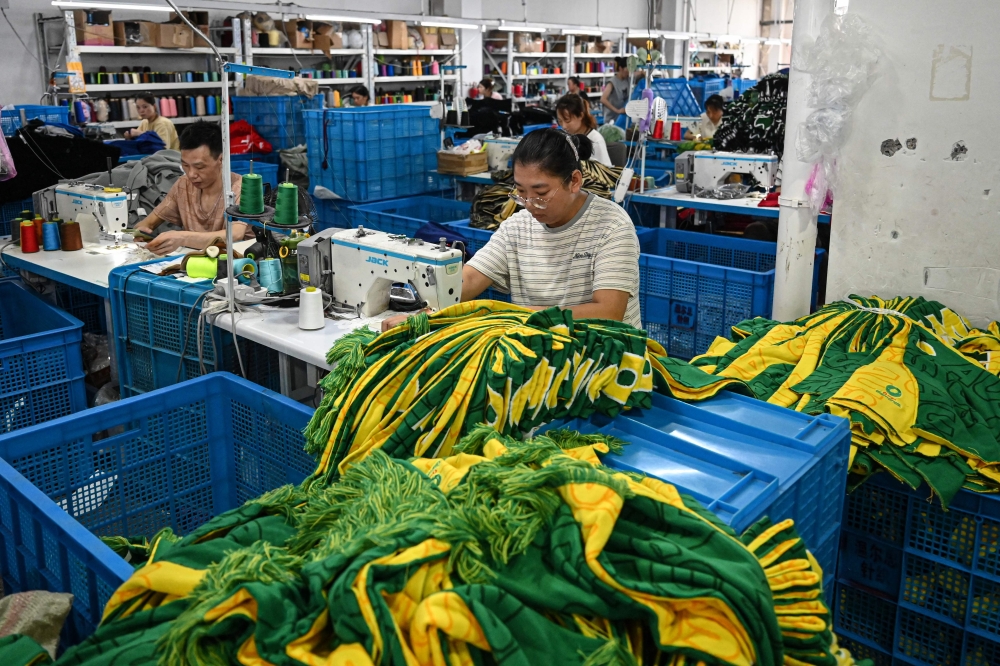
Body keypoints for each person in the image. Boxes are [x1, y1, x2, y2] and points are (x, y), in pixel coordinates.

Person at [383, 128, 641, 332]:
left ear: (574, 181)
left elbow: (608, 312)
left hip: (608, 356)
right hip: (539, 351)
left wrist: (507, 315)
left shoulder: (611, 226)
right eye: (520, 192)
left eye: (541, 193)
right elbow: (469, 279)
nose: (529, 204)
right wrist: (427, 316)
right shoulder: (518, 227)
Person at [134, 122, 246, 255]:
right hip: (193, 263)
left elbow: (235, 234)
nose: (191, 174)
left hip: (235, 263)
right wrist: (141, 232)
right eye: (185, 166)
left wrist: (182, 238)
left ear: (221, 160)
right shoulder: (183, 185)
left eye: (199, 167)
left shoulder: (241, 188)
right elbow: (147, 223)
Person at [555, 94, 611, 167]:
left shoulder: (595, 140)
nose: (564, 126)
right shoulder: (567, 137)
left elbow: (605, 170)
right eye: (560, 121)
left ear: (580, 116)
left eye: (567, 120)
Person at [600, 57, 631, 125]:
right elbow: (603, 99)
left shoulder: (627, 79)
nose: (628, 73)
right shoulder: (612, 82)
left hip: (622, 118)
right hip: (612, 120)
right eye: (627, 71)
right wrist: (617, 111)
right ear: (620, 68)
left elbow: (640, 73)